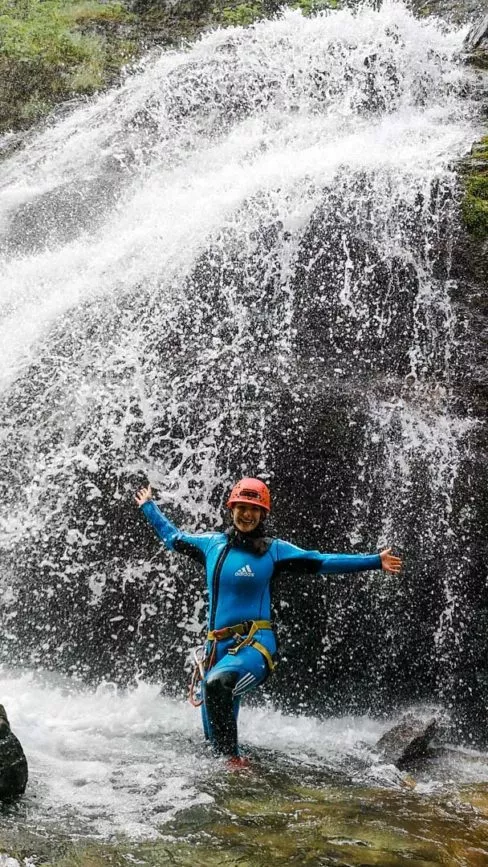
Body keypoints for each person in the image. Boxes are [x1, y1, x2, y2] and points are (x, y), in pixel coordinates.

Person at [135, 477, 402, 769]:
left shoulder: (274, 551)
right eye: (242, 507)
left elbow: (321, 561)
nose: (247, 514)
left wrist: (374, 561)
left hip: (254, 646)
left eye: (254, 509)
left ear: (263, 514)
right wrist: (148, 506)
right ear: (231, 508)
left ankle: (236, 764)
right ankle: (231, 776)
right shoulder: (211, 545)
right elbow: (173, 538)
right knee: (214, 741)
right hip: (216, 650)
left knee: (217, 686)